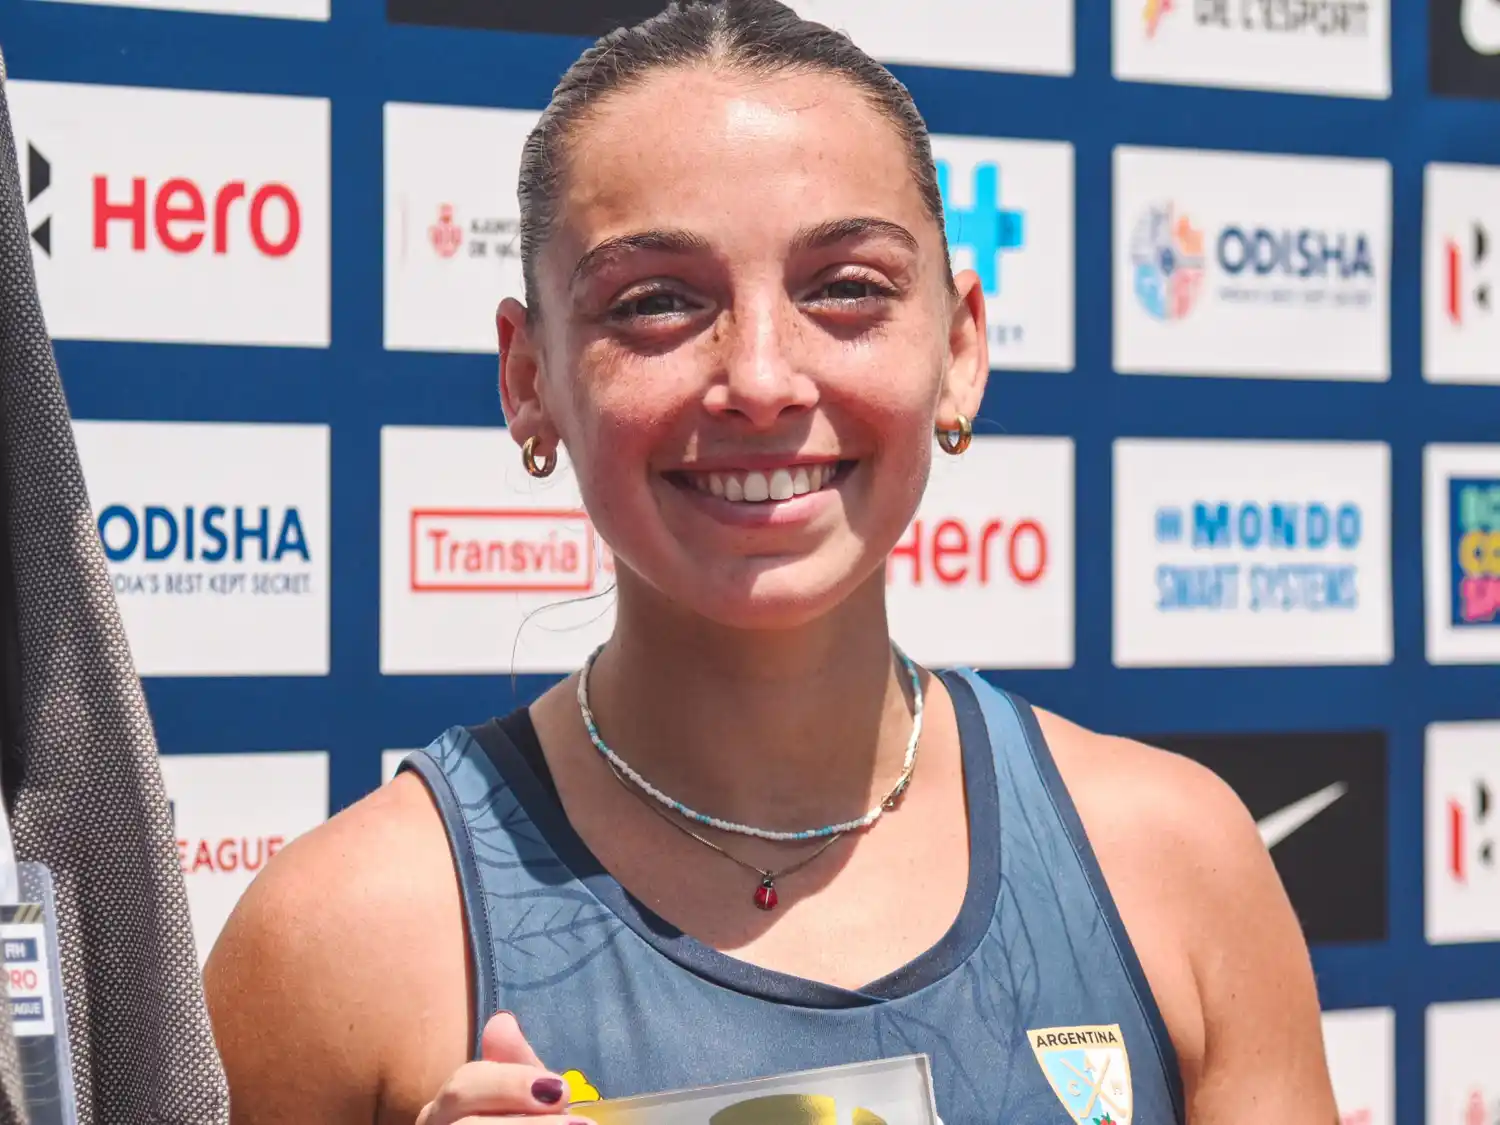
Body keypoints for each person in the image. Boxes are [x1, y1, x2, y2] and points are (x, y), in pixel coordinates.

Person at [202, 3, 1339, 1122]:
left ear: (958, 350)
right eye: (655, 302)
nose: (760, 376)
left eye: (845, 287)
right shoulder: (341, 941)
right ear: (528, 378)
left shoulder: (1176, 863)